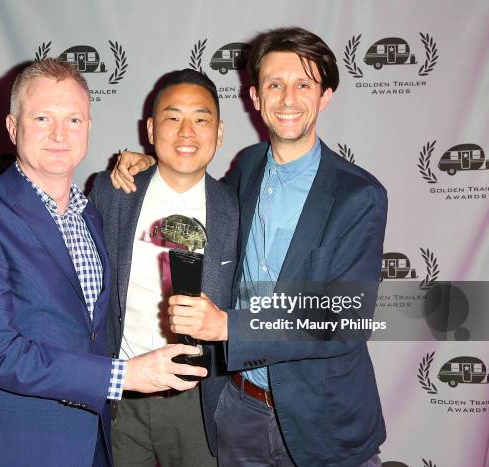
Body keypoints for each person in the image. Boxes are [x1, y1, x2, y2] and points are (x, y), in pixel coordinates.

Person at [110, 28, 387, 467]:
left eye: (304, 84)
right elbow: (191, 189)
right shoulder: (248, 167)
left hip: (322, 419)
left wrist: (228, 328)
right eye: (275, 84)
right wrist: (149, 163)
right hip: (239, 410)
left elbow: (345, 317)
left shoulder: (358, 195)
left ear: (326, 96)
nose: (289, 98)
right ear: (256, 97)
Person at [0, 58, 206, 467]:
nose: (59, 134)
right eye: (42, 118)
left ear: (89, 127)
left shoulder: (90, 211)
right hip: (13, 447)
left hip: (93, 440)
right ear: (12, 127)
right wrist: (123, 376)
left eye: (74, 120)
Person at [90, 69, 238, 467]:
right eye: (173, 118)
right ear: (152, 130)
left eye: (201, 119)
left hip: (198, 406)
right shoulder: (113, 191)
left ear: (219, 132)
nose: (187, 131)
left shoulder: (236, 207)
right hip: (121, 395)